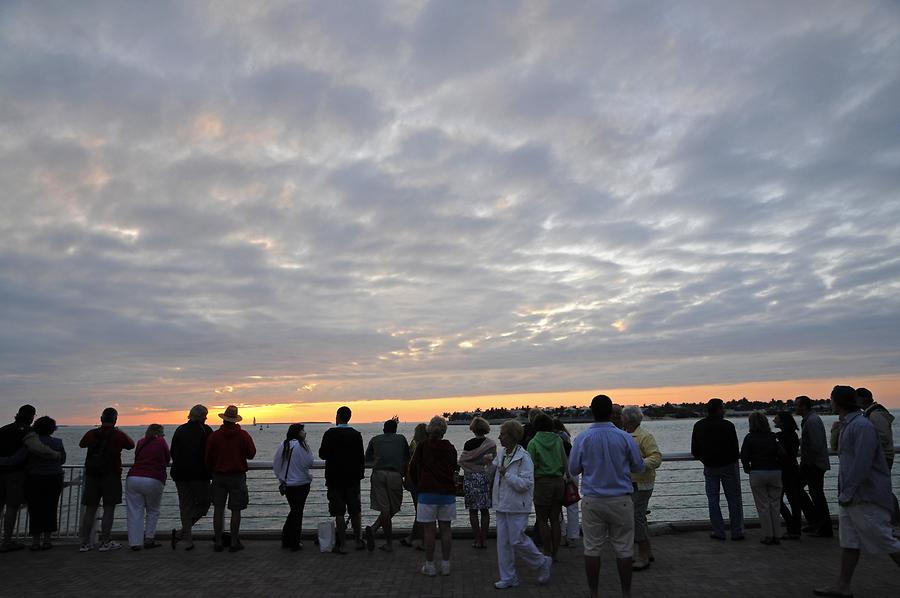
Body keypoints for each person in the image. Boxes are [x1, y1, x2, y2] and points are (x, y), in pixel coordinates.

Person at [813, 386, 900, 597]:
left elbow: (863, 463)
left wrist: (848, 493)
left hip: (864, 496)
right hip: (851, 496)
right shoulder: (849, 425)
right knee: (849, 541)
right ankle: (843, 586)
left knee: (884, 538)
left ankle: (842, 585)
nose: (829, 403)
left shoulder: (861, 426)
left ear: (838, 402)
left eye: (831, 399)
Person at [569, 394, 645, 598]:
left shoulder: (582, 438)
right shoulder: (625, 437)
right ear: (612, 412)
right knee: (624, 548)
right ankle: (625, 593)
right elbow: (639, 465)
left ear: (591, 412)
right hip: (620, 499)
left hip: (593, 500)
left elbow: (573, 469)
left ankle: (594, 593)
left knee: (592, 548)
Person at [488, 420, 552, 589]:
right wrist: (487, 462)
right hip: (502, 503)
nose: (500, 437)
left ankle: (541, 562)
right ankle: (508, 577)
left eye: (503, 434)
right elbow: (493, 469)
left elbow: (525, 484)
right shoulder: (502, 453)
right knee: (503, 543)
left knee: (516, 540)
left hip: (517, 505)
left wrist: (507, 475)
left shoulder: (524, 458)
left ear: (512, 436)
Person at [0, 405, 60, 552]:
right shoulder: (28, 432)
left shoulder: (3, 429)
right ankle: (6, 541)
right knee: (12, 508)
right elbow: (37, 448)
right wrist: (55, 454)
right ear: (32, 417)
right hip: (15, 474)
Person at [78, 407, 135, 552]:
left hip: (92, 475)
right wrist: (119, 431)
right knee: (109, 508)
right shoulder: (118, 435)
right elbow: (131, 445)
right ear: (115, 420)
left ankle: (85, 543)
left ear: (101, 419)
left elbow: (81, 444)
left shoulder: (92, 433)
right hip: (111, 475)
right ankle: (105, 541)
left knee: (90, 509)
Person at [408, 416, 457, 576]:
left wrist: (419, 484)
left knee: (429, 531)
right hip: (447, 493)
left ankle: (429, 565)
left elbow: (412, 467)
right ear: (444, 431)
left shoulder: (423, 446)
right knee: (446, 529)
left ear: (430, 429)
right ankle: (446, 564)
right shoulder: (450, 447)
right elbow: (453, 468)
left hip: (427, 492)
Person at [691, 398, 744, 541]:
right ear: (719, 409)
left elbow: (695, 450)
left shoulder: (699, 425)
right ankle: (736, 531)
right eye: (723, 408)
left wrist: (706, 460)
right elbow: (734, 448)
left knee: (713, 500)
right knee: (733, 499)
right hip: (728, 467)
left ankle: (719, 531)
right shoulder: (728, 426)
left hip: (710, 467)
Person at [206, 405, 256, 553]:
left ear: (224, 419)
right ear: (235, 420)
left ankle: (219, 542)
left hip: (219, 476)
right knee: (236, 510)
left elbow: (208, 458)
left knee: (218, 509)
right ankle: (234, 542)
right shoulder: (243, 435)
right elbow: (251, 454)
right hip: (237, 476)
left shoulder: (214, 436)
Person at [318, 405, 365, 553]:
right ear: (349, 417)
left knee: (338, 512)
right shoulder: (356, 435)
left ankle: (343, 545)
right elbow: (360, 459)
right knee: (355, 511)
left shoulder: (329, 434)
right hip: (352, 479)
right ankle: (358, 541)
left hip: (334, 479)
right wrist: (359, 475)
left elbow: (322, 454)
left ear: (338, 416)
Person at [622, 406, 662, 569]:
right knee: (639, 518)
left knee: (636, 519)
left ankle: (643, 556)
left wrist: (639, 464)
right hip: (631, 483)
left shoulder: (644, 436)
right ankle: (648, 551)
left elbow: (656, 457)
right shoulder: (626, 435)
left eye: (623, 416)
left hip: (642, 483)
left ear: (628, 419)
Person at [170, 404, 213, 550]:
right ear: (201, 416)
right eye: (205, 415)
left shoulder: (180, 430)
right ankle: (184, 534)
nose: (206, 418)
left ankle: (186, 536)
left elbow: (173, 452)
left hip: (180, 474)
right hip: (200, 475)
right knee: (204, 504)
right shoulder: (206, 430)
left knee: (185, 506)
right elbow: (211, 451)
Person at [364, 416, 409, 552]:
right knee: (394, 508)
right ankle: (384, 539)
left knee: (385, 509)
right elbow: (407, 456)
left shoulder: (375, 440)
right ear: (396, 429)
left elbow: (367, 457)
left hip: (378, 474)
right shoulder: (401, 439)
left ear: (384, 429)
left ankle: (374, 530)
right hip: (395, 475)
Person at [856, 387, 899, 529]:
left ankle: (894, 521)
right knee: (881, 489)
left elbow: (884, 437)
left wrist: (864, 442)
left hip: (882, 457)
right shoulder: (875, 413)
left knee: (883, 489)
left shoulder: (875, 415)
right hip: (882, 456)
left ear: (862, 399)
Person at [527, 412, 566, 562]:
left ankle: (547, 552)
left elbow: (531, 465)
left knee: (542, 519)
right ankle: (555, 552)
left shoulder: (533, 442)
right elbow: (564, 461)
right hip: (558, 481)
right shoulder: (558, 440)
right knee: (555, 519)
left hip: (542, 482)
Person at [740, 412, 783, 545]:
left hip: (758, 472)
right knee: (775, 505)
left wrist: (747, 468)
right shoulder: (773, 437)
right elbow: (781, 453)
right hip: (775, 472)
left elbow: (744, 456)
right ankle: (777, 535)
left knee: (763, 505)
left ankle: (768, 535)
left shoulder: (750, 438)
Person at [126, 424, 170, 550]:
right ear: (159, 433)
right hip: (153, 479)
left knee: (135, 511)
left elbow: (137, 458)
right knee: (153, 510)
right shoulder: (161, 442)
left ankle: (135, 543)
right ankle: (149, 539)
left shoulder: (140, 442)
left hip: (133, 478)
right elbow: (167, 458)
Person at [24, 416, 65, 551]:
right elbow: (62, 460)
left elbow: (23, 459)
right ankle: (47, 540)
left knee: (35, 509)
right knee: (51, 508)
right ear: (52, 429)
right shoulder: (58, 442)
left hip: (35, 478)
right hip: (54, 478)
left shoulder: (30, 443)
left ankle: (35, 541)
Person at [795, 395, 833, 537]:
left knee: (815, 494)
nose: (795, 408)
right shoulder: (810, 420)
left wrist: (807, 463)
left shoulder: (812, 421)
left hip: (814, 464)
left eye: (797, 405)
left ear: (804, 406)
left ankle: (822, 525)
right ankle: (819, 522)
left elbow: (816, 445)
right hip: (812, 464)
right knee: (812, 493)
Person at [273, 423, 314, 551]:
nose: (304, 432)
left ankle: (287, 539)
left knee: (294, 511)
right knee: (297, 512)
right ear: (298, 432)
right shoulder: (302, 446)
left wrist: (282, 479)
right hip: (302, 484)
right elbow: (310, 462)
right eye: (303, 430)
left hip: (289, 485)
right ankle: (294, 541)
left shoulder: (283, 445)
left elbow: (276, 464)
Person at [458, 416, 496, 550]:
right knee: (485, 510)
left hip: (470, 478)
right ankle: (484, 540)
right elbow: (493, 462)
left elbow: (462, 461)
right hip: (485, 478)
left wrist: (472, 467)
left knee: (473, 511)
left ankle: (477, 539)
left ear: (473, 429)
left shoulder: (468, 444)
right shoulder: (491, 444)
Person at [773, 411, 803, 539]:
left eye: (776, 419)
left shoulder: (780, 437)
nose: (774, 420)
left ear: (782, 422)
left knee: (777, 500)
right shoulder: (794, 436)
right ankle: (796, 528)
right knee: (794, 500)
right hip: (793, 469)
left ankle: (791, 525)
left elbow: (784, 453)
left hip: (783, 470)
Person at [401, 423, 428, 549]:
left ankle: (419, 539)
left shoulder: (413, 444)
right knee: (421, 511)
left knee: (419, 511)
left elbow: (408, 462)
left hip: (413, 480)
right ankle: (414, 538)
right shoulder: (428, 445)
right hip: (425, 480)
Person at [553, 418, 580, 547]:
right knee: (572, 506)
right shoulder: (567, 437)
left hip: (560, 474)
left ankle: (562, 535)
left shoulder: (555, 440)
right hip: (572, 473)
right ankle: (573, 537)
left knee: (557, 507)